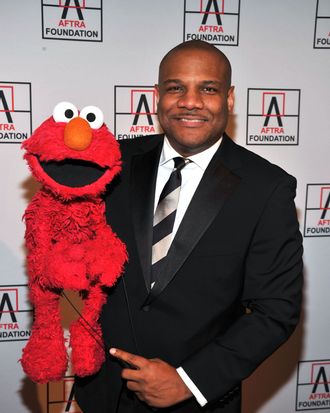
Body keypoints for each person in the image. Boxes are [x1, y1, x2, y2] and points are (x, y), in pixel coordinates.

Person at [75, 40, 303, 413]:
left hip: (195, 404)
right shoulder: (111, 163)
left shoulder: (267, 188)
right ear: (157, 96)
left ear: (229, 100)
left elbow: (275, 310)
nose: (190, 101)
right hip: (99, 396)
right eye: (176, 87)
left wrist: (189, 381)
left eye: (208, 89)